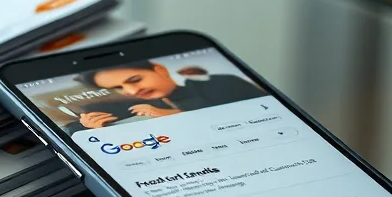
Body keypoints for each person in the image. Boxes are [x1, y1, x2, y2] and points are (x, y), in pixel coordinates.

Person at [64, 60, 265, 132]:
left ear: (159, 69)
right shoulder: (135, 105)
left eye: (135, 80)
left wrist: (172, 115)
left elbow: (261, 117)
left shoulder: (222, 83)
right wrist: (90, 128)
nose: (132, 91)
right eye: (118, 87)